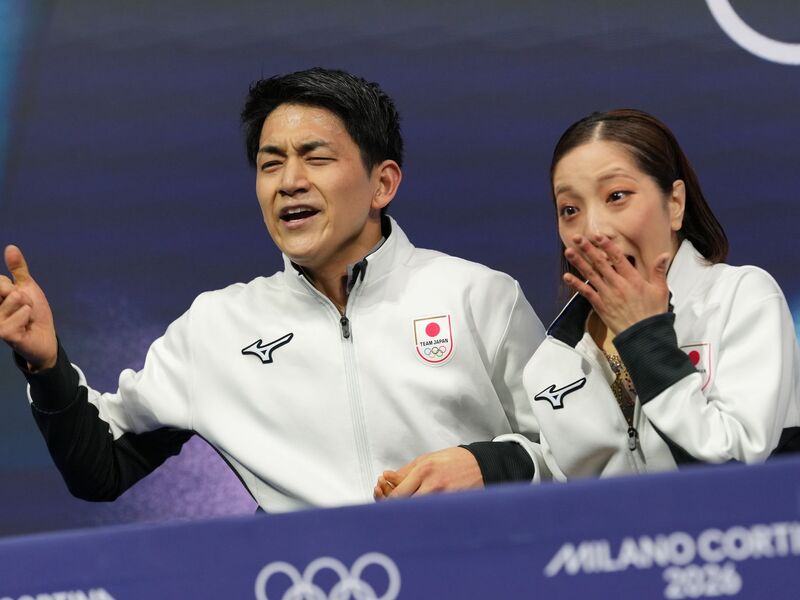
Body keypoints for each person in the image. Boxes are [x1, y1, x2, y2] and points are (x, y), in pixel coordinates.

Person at [0, 68, 545, 511]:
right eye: (271, 164)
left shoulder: (478, 297)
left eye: (316, 157)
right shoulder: (216, 328)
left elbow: (575, 453)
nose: (289, 182)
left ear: (382, 183)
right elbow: (101, 468)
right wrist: (46, 366)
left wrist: (489, 465)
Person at [376, 108, 800, 496]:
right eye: (570, 210)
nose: (593, 230)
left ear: (674, 204)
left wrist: (644, 338)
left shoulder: (741, 298)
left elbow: (735, 470)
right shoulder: (552, 362)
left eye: (616, 196)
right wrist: (488, 464)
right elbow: (566, 486)